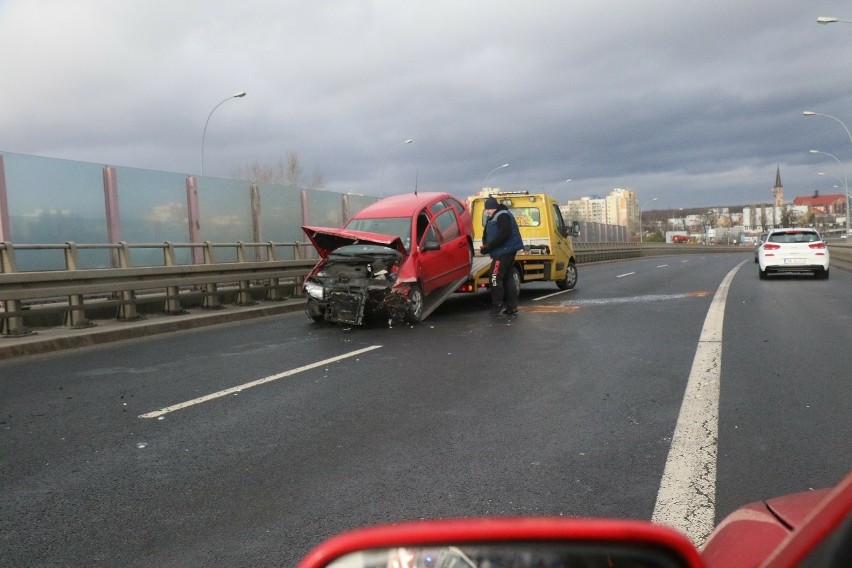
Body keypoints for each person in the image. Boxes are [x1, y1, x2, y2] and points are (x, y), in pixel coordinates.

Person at [479, 196, 524, 315]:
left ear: (495, 207)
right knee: (507, 277)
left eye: (489, 209)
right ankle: (512, 306)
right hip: (504, 251)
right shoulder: (496, 215)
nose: (487, 211)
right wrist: (486, 248)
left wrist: (489, 246)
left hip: (504, 252)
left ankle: (497, 305)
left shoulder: (502, 215)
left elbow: (505, 234)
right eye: (486, 209)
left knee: (494, 277)